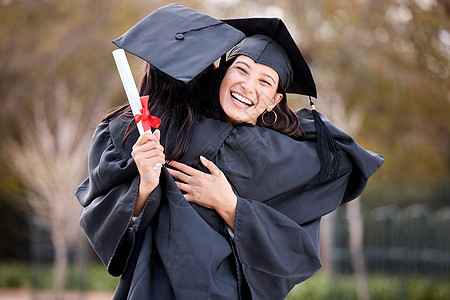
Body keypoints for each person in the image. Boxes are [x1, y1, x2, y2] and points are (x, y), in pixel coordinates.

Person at [75, 4, 384, 300]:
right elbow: (107, 218)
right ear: (222, 73)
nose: (248, 86)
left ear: (275, 99)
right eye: (241, 70)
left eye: (265, 81)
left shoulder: (284, 161)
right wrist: (144, 185)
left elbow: (294, 247)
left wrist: (233, 207)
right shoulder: (169, 131)